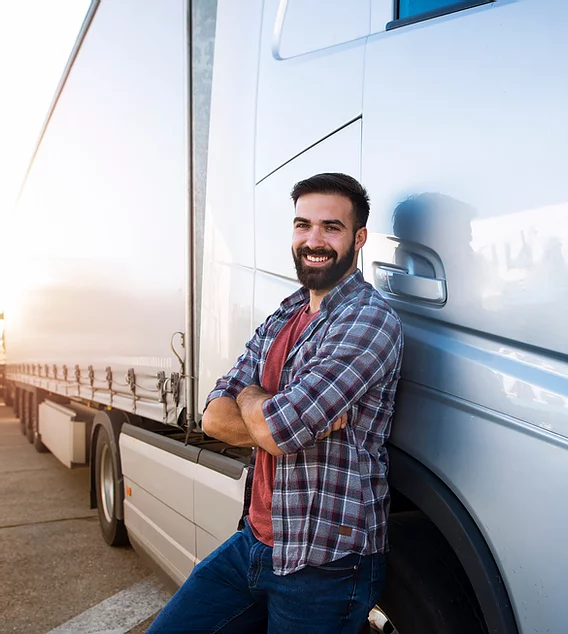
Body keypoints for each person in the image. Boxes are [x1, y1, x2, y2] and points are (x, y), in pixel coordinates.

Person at [147, 173, 403, 633]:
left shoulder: (370, 320)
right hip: (255, 542)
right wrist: (261, 404)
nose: (313, 240)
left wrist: (257, 405)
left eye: (331, 227)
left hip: (323, 564)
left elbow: (278, 432)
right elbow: (213, 416)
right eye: (303, 225)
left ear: (359, 238)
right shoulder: (285, 313)